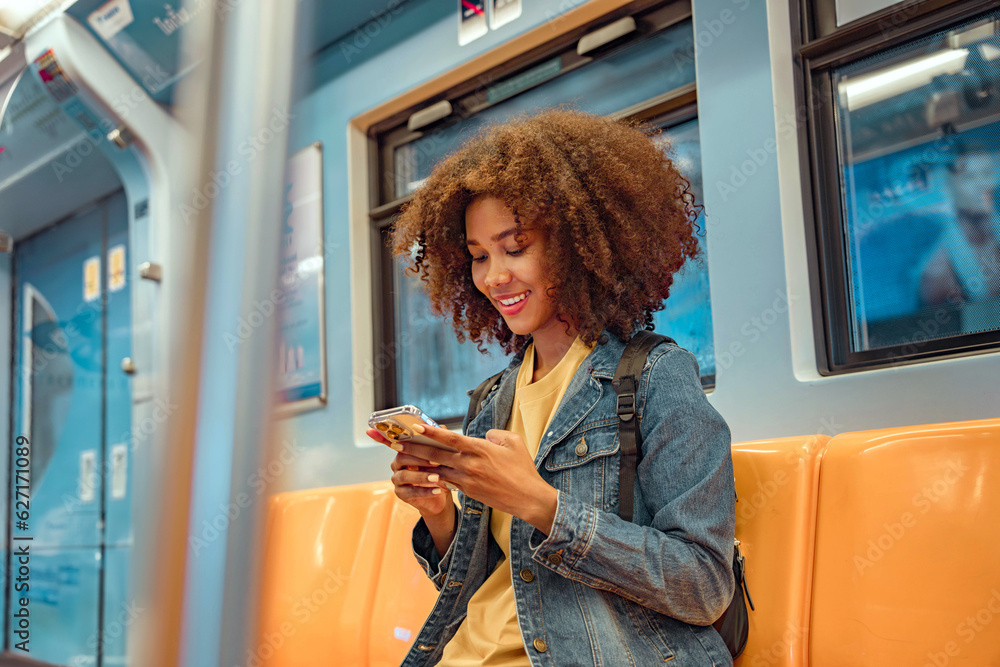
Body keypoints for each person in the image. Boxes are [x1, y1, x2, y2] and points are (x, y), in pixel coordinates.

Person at [366, 110, 736, 666]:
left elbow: (703, 586)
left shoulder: (656, 377)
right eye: (478, 257)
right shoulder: (492, 400)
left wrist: (541, 505)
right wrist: (439, 513)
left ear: (578, 243)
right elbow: (488, 586)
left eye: (515, 248)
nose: (494, 278)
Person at [919, 141, 1000, 307]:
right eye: (969, 177)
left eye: (986, 173)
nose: (982, 185)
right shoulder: (938, 269)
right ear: (948, 188)